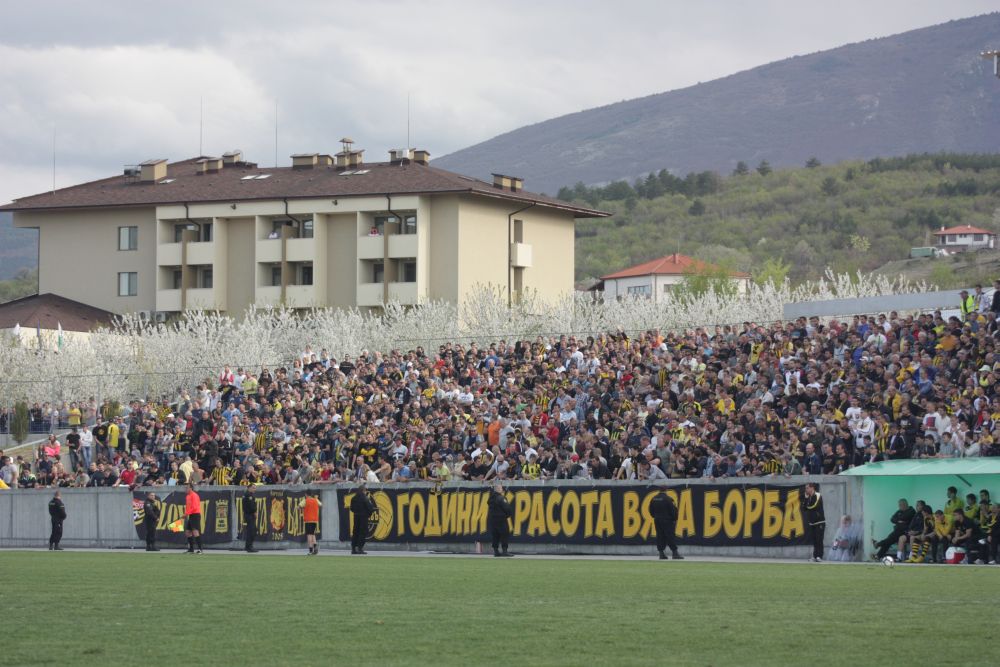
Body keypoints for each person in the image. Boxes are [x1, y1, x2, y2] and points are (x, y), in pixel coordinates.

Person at [649, 488, 682, 560]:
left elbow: (650, 510)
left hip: (657, 520)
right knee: (670, 536)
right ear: (666, 490)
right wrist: (674, 519)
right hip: (667, 520)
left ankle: (661, 554)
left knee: (660, 536)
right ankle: (675, 553)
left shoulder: (654, 498)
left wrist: (655, 516)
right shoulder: (668, 499)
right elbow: (673, 510)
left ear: (659, 490)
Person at [487, 484, 514, 557]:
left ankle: (496, 551)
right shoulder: (501, 498)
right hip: (501, 519)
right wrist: (507, 515)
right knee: (504, 534)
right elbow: (507, 508)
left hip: (493, 519)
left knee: (495, 535)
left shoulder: (491, 499)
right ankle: (504, 551)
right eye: (501, 488)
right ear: (498, 489)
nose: (502, 489)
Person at [350, 482, 375, 555]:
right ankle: (360, 548)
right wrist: (369, 514)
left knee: (355, 532)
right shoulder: (365, 498)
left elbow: (351, 508)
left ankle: (353, 548)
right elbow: (370, 508)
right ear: (364, 490)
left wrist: (356, 512)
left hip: (356, 516)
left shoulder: (353, 498)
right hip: (363, 517)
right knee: (362, 532)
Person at [803, 482, 825, 562]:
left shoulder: (818, 495)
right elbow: (804, 508)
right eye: (806, 488)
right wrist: (806, 498)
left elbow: (813, 505)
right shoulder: (808, 497)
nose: (806, 490)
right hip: (812, 522)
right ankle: (815, 556)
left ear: (812, 488)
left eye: (807, 488)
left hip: (819, 522)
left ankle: (819, 556)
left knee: (819, 539)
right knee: (814, 540)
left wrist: (807, 506)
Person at [299, 490, 322, 555]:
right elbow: (320, 504)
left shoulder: (305, 500)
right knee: (312, 533)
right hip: (315, 520)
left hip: (308, 520)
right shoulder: (315, 500)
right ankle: (315, 545)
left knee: (309, 535)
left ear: (306, 494)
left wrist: (303, 508)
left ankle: (310, 550)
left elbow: (299, 506)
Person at [184, 483, 203, 554]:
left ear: (191, 488)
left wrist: (186, 513)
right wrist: (186, 513)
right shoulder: (187, 496)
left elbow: (194, 507)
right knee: (188, 532)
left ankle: (200, 549)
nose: (186, 489)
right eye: (185, 487)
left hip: (195, 514)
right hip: (191, 515)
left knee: (195, 532)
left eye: (187, 487)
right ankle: (191, 549)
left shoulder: (194, 495)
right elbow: (188, 507)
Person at [242, 485, 258, 553]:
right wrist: (254, 512)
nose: (254, 489)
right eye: (253, 488)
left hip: (248, 514)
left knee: (252, 530)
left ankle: (248, 546)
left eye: (255, 488)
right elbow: (251, 506)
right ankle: (249, 547)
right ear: (249, 488)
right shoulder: (248, 495)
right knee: (251, 531)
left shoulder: (247, 494)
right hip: (249, 515)